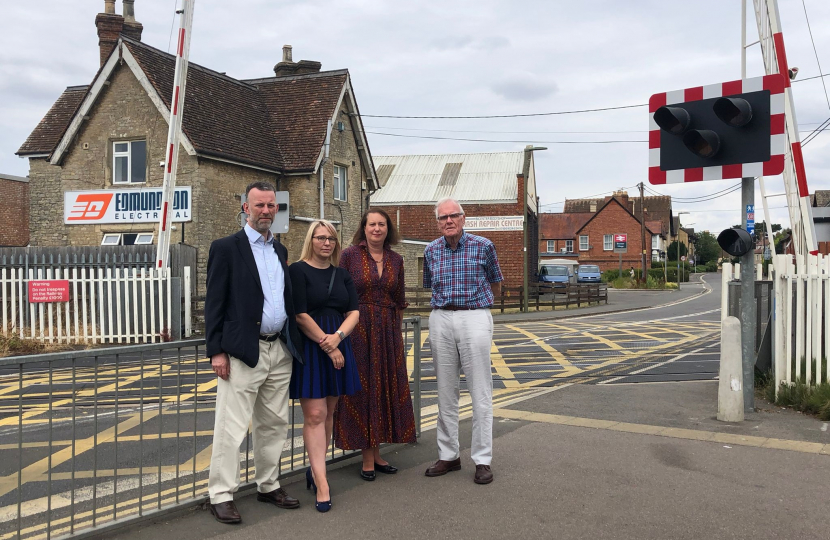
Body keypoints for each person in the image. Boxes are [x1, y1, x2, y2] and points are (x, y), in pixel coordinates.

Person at [205, 181, 304, 524]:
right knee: (231, 428)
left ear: (277, 209)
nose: (265, 211)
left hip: (279, 349)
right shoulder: (226, 247)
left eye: (270, 206)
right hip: (243, 352)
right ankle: (220, 494)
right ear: (246, 207)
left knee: (274, 424)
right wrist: (216, 351)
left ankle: (268, 484)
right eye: (259, 205)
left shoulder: (279, 250)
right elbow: (215, 303)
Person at [422, 197, 503, 485]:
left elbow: (495, 282)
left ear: (463, 218)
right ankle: (449, 455)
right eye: (442, 218)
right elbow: (430, 285)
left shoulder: (484, 246)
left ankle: (482, 459)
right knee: (445, 391)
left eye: (453, 216)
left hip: (474, 316)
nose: (448, 221)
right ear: (438, 222)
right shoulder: (431, 250)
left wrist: (477, 308)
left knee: (480, 390)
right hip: (441, 317)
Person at [334, 210, 416, 481]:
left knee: (383, 389)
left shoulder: (396, 259)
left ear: (387, 229)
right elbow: (340, 296)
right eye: (372, 224)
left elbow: (400, 300)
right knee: (363, 390)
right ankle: (366, 457)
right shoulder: (349, 256)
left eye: (382, 224)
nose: (377, 229)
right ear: (364, 228)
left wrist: (395, 336)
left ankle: (377, 453)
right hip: (358, 329)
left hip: (388, 332)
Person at [288, 220, 361, 512]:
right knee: (315, 414)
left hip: (339, 342)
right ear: (311, 240)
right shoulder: (297, 270)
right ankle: (322, 483)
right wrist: (328, 345)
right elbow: (300, 314)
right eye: (320, 238)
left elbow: (354, 311)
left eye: (331, 238)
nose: (326, 243)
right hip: (312, 345)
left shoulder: (342, 274)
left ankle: (316, 470)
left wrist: (339, 338)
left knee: (330, 411)